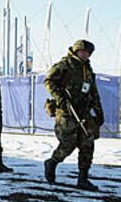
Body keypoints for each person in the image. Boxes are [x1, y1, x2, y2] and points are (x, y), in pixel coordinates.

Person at [44, 39, 104, 191]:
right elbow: (49, 81)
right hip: (67, 112)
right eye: (83, 51)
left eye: (88, 52)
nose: (85, 54)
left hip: (84, 112)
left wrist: (98, 111)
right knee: (68, 144)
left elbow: (93, 92)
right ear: (76, 50)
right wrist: (60, 97)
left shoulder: (88, 70)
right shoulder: (65, 65)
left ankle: (83, 179)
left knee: (87, 144)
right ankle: (52, 163)